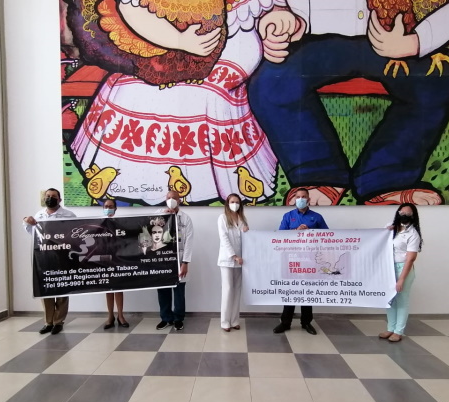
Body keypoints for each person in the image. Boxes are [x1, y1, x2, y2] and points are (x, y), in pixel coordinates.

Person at [68, 0, 293, 206]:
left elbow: (269, 8)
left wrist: (278, 21)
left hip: (226, 53)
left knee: (208, 97)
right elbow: (132, 11)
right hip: (161, 50)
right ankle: (122, 185)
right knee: (136, 92)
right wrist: (180, 41)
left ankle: (213, 185)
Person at [249, 0, 449, 205]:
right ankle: (316, 174)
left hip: (399, 37)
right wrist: (279, 15)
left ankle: (387, 179)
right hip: (314, 37)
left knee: (438, 78)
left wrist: (418, 41)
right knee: (271, 82)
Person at [274, 187, 327, 335]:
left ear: (309, 199)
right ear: (294, 199)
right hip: (292, 259)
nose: (301, 199)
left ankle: (306, 322)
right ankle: (285, 322)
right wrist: (296, 232)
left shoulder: (317, 217)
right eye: (298, 197)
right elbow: (280, 236)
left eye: (303, 197)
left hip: (310, 259)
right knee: (291, 290)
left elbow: (328, 236)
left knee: (307, 291)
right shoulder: (288, 216)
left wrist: (311, 232)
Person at [23, 188, 76, 335]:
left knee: (62, 289)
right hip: (44, 258)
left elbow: (75, 235)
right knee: (46, 289)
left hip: (63, 257)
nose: (50, 198)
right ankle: (48, 322)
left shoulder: (69, 215)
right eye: (47, 196)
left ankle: (59, 322)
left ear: (59, 199)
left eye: (53, 196)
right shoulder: (39, 215)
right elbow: (32, 233)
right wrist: (27, 222)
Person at [379, 203, 422, 342]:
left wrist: (402, 279)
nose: (404, 216)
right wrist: (387, 231)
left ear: (413, 216)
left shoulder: (413, 234)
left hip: (403, 268)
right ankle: (390, 328)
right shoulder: (391, 227)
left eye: (408, 214)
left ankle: (398, 331)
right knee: (390, 299)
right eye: (402, 213)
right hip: (389, 268)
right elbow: (379, 240)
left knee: (402, 300)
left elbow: (411, 258)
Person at [155, 191, 194, 331]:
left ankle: (178, 318)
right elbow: (149, 229)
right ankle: (166, 318)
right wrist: (164, 216)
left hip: (179, 259)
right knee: (163, 291)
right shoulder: (158, 214)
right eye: (168, 198)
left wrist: (185, 263)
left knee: (179, 292)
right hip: (163, 259)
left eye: (174, 198)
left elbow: (189, 242)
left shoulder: (186, 219)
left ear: (180, 200)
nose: (171, 200)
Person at [217, 193, 249, 331]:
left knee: (237, 290)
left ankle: (235, 320)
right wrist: (234, 256)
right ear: (227, 203)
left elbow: (246, 239)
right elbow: (224, 238)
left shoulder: (242, 219)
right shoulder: (222, 218)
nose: (234, 204)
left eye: (237, 202)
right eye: (232, 201)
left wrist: (247, 231)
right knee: (228, 289)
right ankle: (225, 321)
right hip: (227, 259)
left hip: (241, 260)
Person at [102, 199, 129, 329]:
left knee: (118, 288)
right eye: (106, 206)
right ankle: (110, 316)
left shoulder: (120, 223)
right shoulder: (98, 223)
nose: (108, 208)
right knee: (108, 289)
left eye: (111, 206)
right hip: (104, 259)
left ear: (116, 208)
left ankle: (121, 316)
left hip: (118, 259)